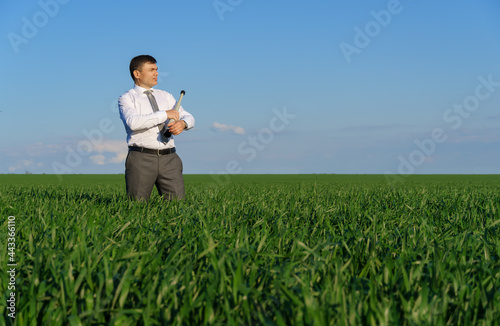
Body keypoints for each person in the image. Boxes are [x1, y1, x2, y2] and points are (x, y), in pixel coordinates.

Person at [118, 55, 195, 201]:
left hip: (170, 158)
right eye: (152, 69)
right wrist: (165, 114)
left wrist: (183, 124)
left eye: (157, 69)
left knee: (177, 207)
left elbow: (189, 117)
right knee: (137, 206)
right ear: (137, 74)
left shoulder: (166, 96)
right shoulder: (127, 98)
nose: (157, 73)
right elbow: (133, 122)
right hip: (141, 158)